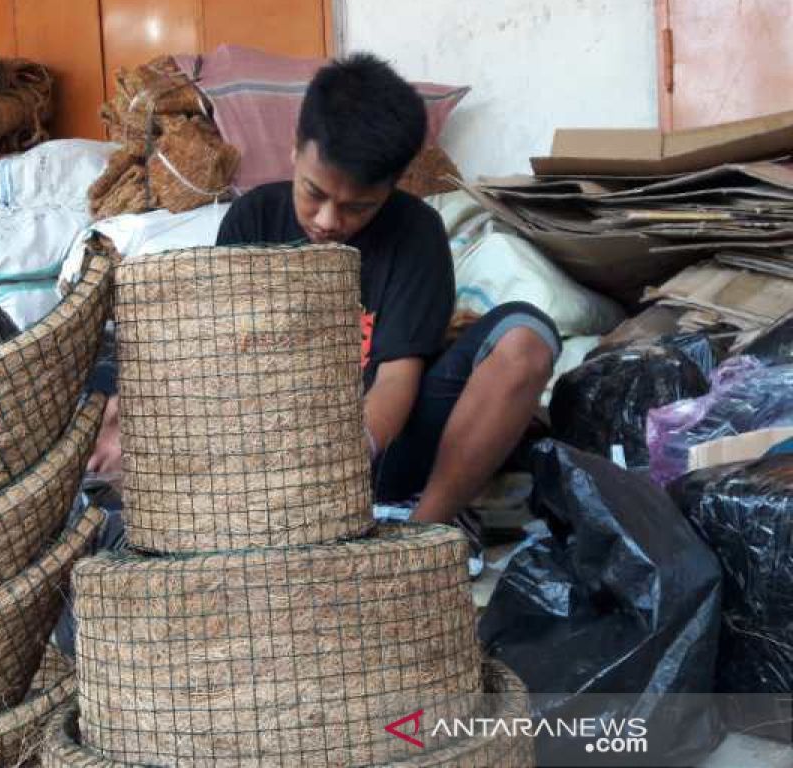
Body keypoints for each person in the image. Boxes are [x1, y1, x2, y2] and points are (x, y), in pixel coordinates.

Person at [88, 53, 560, 531]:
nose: (329, 220)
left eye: (358, 207)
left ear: (393, 186)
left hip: (384, 448)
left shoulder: (417, 233)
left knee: (526, 338)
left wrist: (343, 462)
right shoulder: (253, 218)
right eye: (314, 193)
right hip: (269, 454)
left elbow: (397, 379)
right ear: (295, 151)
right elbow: (222, 362)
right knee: (111, 373)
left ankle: (424, 532)